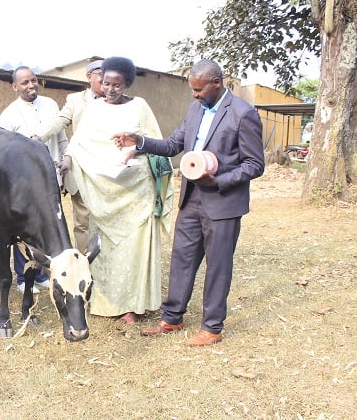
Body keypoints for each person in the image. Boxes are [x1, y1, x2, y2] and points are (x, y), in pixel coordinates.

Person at [113, 58, 265, 346]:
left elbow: (255, 164)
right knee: (182, 258)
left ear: (216, 83)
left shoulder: (243, 114)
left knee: (218, 265)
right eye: (192, 90)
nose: (194, 95)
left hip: (223, 203)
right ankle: (172, 318)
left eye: (199, 90)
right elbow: (172, 145)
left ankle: (212, 327)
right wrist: (139, 142)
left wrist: (219, 180)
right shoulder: (196, 109)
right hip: (192, 199)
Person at [61, 56, 173, 322]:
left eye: (117, 85)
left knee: (134, 251)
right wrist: (65, 162)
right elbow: (77, 144)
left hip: (136, 191)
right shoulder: (94, 109)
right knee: (108, 251)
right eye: (106, 83)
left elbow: (156, 144)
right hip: (105, 193)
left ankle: (134, 307)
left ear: (127, 84)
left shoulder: (141, 107)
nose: (110, 90)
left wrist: (134, 152)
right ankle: (107, 303)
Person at [0, 66, 67, 294]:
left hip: (51, 181)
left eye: (33, 81)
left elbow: (62, 139)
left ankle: (41, 273)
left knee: (47, 228)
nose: (30, 86)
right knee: (24, 230)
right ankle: (22, 276)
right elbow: (4, 155)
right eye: (25, 83)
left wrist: (65, 163)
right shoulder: (8, 115)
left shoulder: (51, 106)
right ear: (15, 86)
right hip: (23, 187)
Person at [38, 59, 105, 251]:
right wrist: (37, 138)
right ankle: (86, 263)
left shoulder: (117, 100)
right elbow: (59, 121)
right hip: (81, 169)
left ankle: (108, 265)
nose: (104, 77)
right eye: (100, 73)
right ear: (89, 77)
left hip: (109, 172)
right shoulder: (75, 100)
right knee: (82, 221)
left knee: (106, 221)